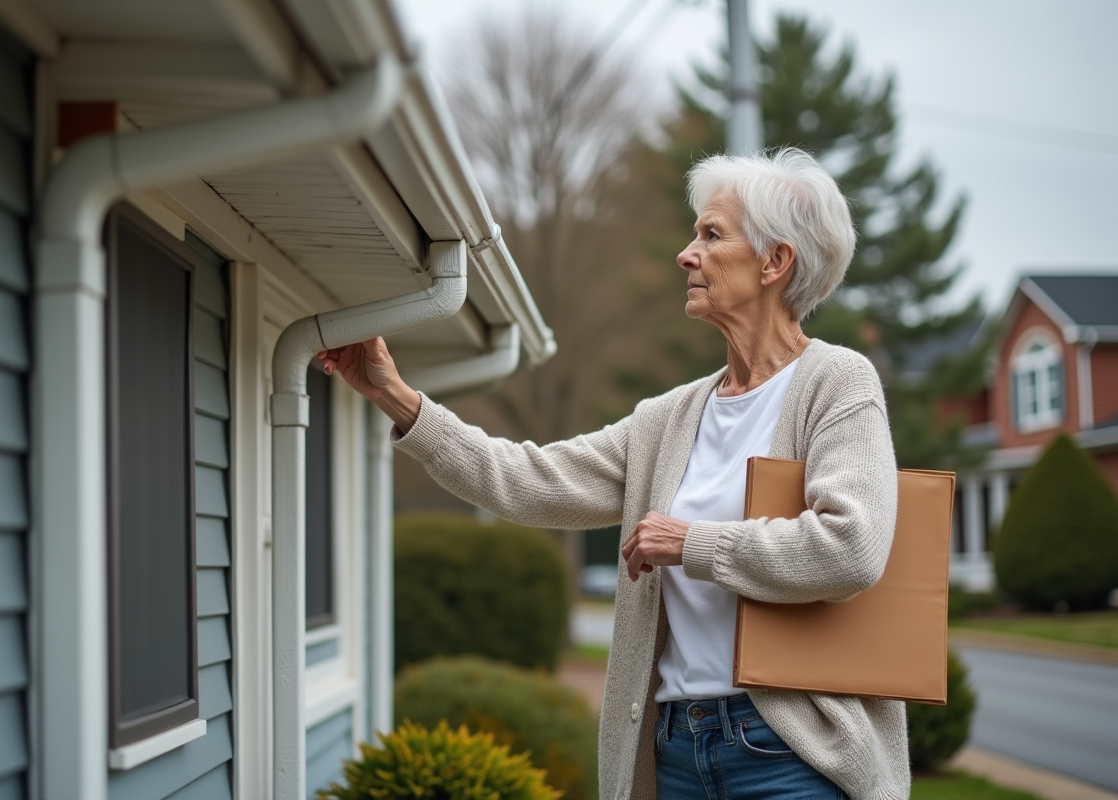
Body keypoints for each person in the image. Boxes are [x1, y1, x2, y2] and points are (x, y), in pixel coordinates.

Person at [318, 147, 904, 800]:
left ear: (775, 260)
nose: (686, 254)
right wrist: (394, 396)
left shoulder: (836, 381)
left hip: (787, 753)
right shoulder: (669, 419)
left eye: (711, 234)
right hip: (675, 750)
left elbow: (853, 547)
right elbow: (524, 480)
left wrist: (691, 542)